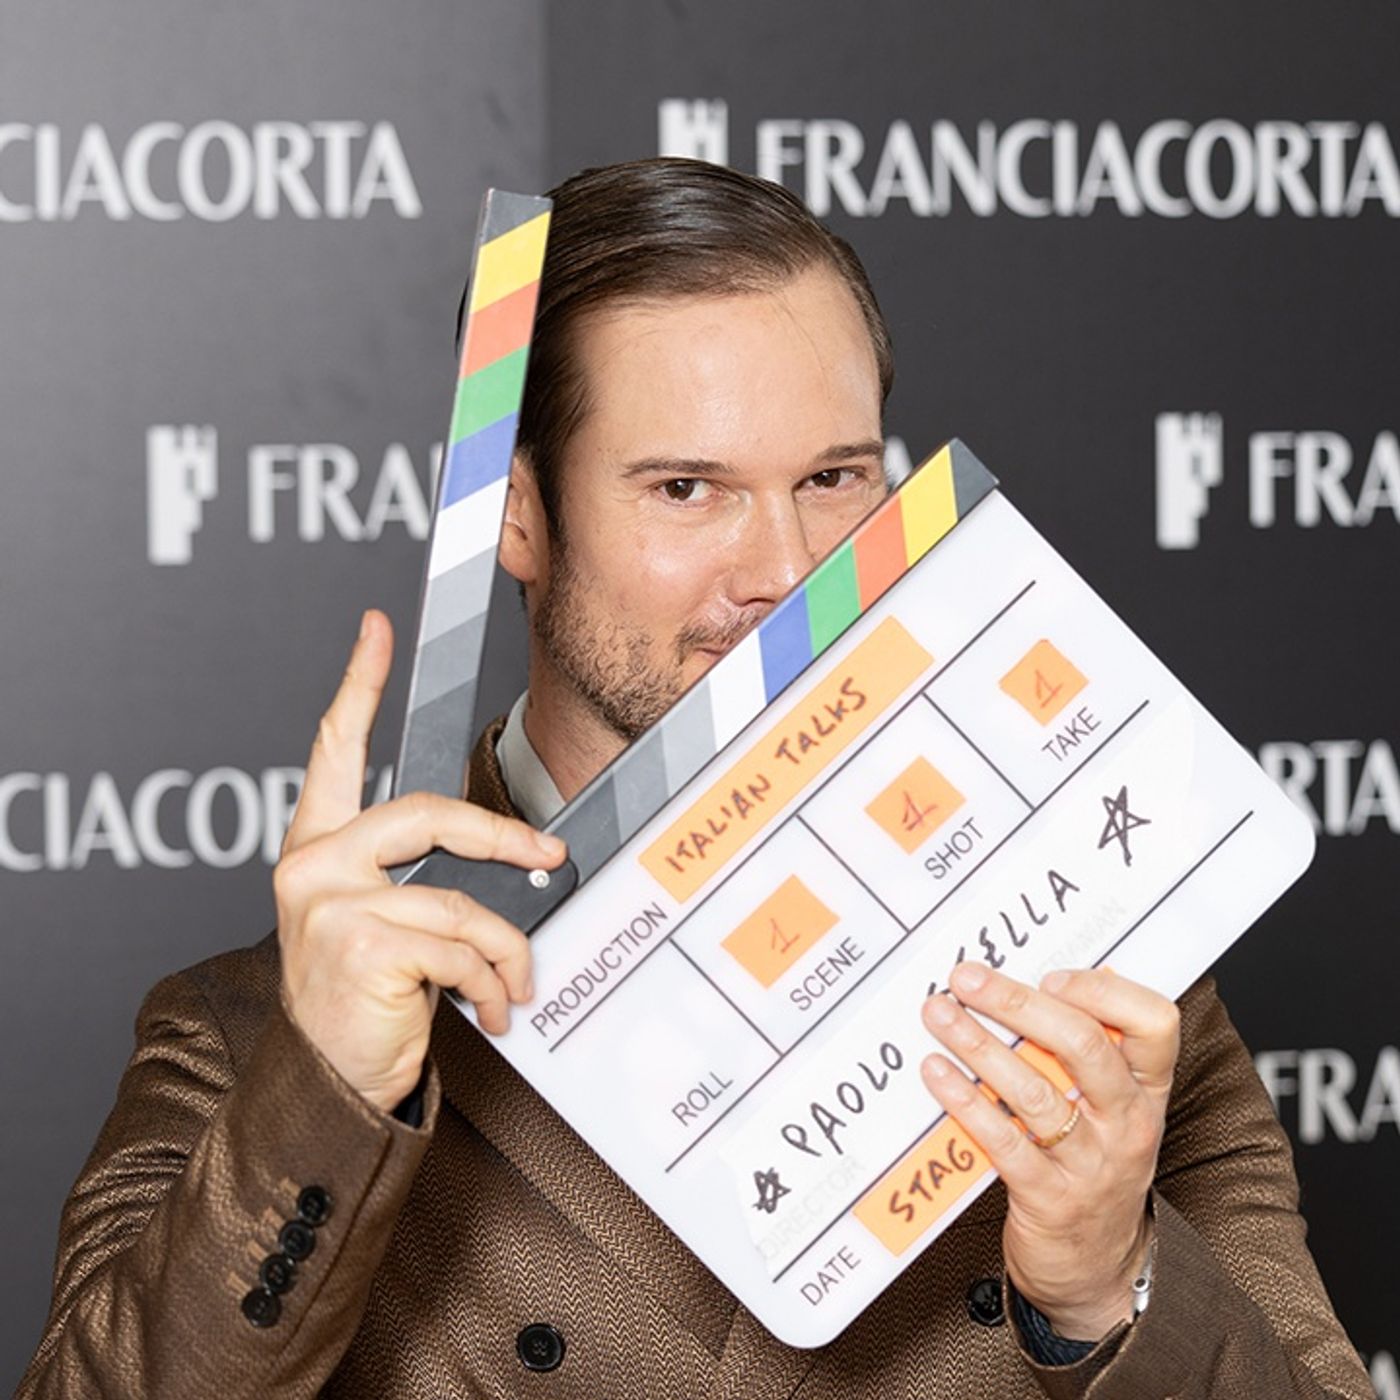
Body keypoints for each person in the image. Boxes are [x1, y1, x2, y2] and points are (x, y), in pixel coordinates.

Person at [19, 159, 1371, 1399]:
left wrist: (1107, 1291)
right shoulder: (252, 1043)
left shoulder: (1116, 979)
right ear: (518, 515)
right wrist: (325, 1100)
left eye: (833, 477)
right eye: (686, 489)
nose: (786, 572)